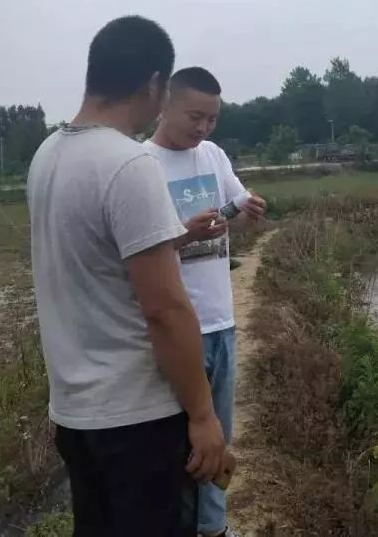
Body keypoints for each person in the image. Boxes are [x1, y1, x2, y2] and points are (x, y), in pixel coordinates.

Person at [27, 17, 229, 537]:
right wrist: (203, 416)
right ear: (155, 84)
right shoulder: (127, 164)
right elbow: (164, 308)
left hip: (76, 414)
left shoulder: (47, 156)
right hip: (137, 418)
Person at [143, 66, 267, 537]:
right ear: (165, 106)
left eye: (212, 119)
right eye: (195, 117)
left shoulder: (213, 155)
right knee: (177, 445)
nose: (203, 128)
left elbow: (237, 206)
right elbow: (135, 254)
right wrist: (184, 234)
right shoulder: (142, 166)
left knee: (219, 439)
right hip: (176, 329)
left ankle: (214, 527)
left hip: (221, 323)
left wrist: (249, 208)